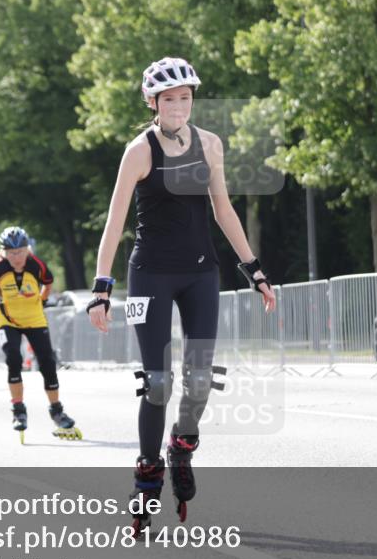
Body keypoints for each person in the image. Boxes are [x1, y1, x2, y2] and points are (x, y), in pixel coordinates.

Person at [87, 56, 276, 533]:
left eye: (185, 98)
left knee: (197, 379)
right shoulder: (139, 151)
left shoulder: (210, 145)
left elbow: (224, 210)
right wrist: (101, 288)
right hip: (149, 275)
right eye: (169, 99)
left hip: (200, 274)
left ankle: (181, 446)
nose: (178, 106)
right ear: (153, 102)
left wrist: (253, 270)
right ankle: (148, 471)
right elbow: (114, 223)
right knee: (157, 382)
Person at [0, 226, 80, 443]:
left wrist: (39, 300)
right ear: (3, 252)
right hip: (8, 320)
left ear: (27, 249)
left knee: (47, 362)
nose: (17, 257)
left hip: (34, 319)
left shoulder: (36, 265)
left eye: (21, 252)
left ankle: (57, 410)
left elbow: (48, 284)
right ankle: (18, 409)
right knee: (13, 356)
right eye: (12, 254)